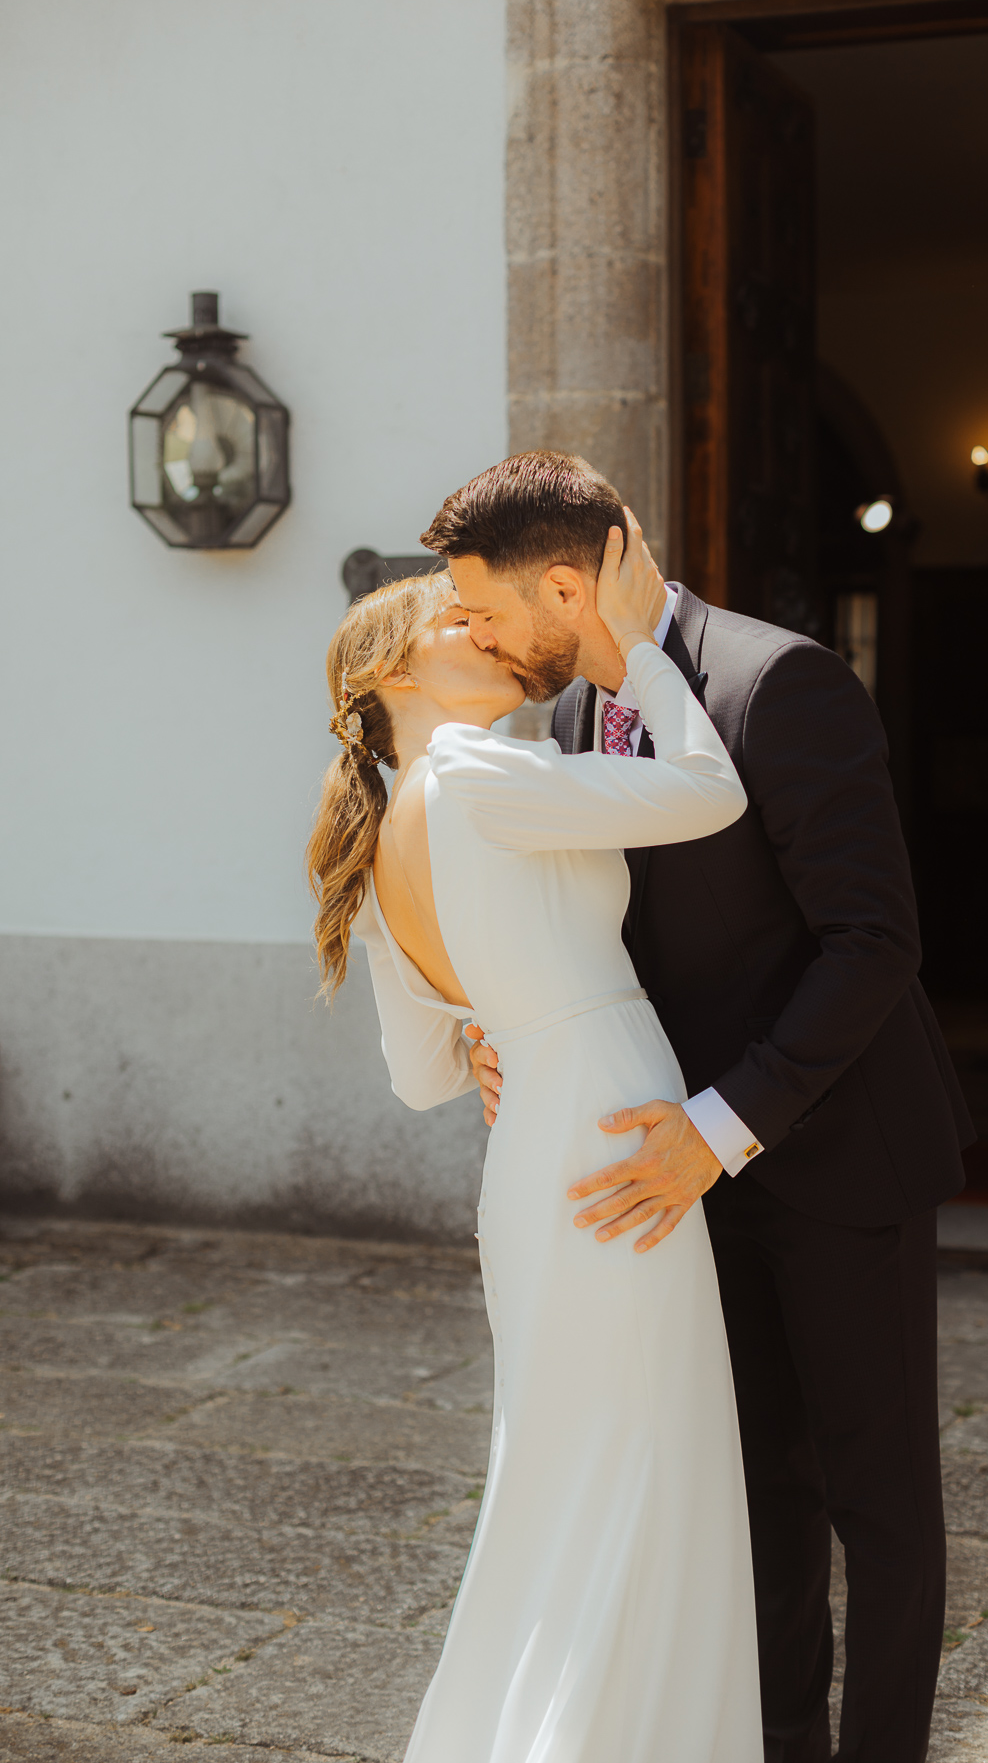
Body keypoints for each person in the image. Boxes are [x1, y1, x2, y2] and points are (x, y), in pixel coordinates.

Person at [441, 452, 975, 1763]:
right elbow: (573, 931)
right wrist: (489, 1033)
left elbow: (872, 942)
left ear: (567, 584)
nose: (476, 636)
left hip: (835, 1159)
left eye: (486, 608)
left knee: (881, 1512)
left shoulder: (776, 683)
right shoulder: (563, 727)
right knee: (758, 1501)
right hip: (670, 1184)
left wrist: (723, 1127)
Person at [305, 522, 761, 1762]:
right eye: (453, 624)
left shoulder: (391, 832)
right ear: (391, 676)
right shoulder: (471, 771)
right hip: (608, 1135)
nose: (487, 631)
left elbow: (415, 1075)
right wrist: (631, 654)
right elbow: (708, 791)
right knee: (640, 1467)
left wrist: (489, 1039)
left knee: (569, 1472)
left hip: (536, 1155)